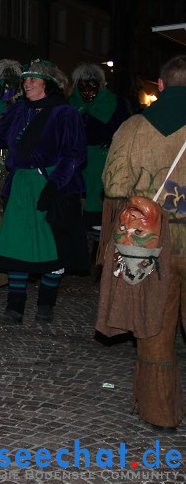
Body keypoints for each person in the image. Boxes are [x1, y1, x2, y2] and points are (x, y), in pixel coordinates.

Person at [0, 59, 88, 324]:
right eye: (25, 79)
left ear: (47, 84)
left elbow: (74, 155)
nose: (26, 83)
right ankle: (14, 309)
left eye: (33, 79)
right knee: (17, 247)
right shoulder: (20, 110)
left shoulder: (64, 113)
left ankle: (46, 305)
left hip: (52, 186)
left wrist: (54, 185)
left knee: (54, 250)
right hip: (21, 186)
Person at [97, 54, 186, 435]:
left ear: (161, 86)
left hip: (154, 245)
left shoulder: (135, 126)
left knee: (155, 328)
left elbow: (114, 185)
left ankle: (161, 412)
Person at [69, 63, 130, 262]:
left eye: (92, 86)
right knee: (77, 209)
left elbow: (125, 132)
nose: (88, 92)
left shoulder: (115, 104)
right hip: (78, 164)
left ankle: (99, 253)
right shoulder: (71, 106)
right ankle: (79, 255)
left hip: (104, 163)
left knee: (101, 209)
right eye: (83, 86)